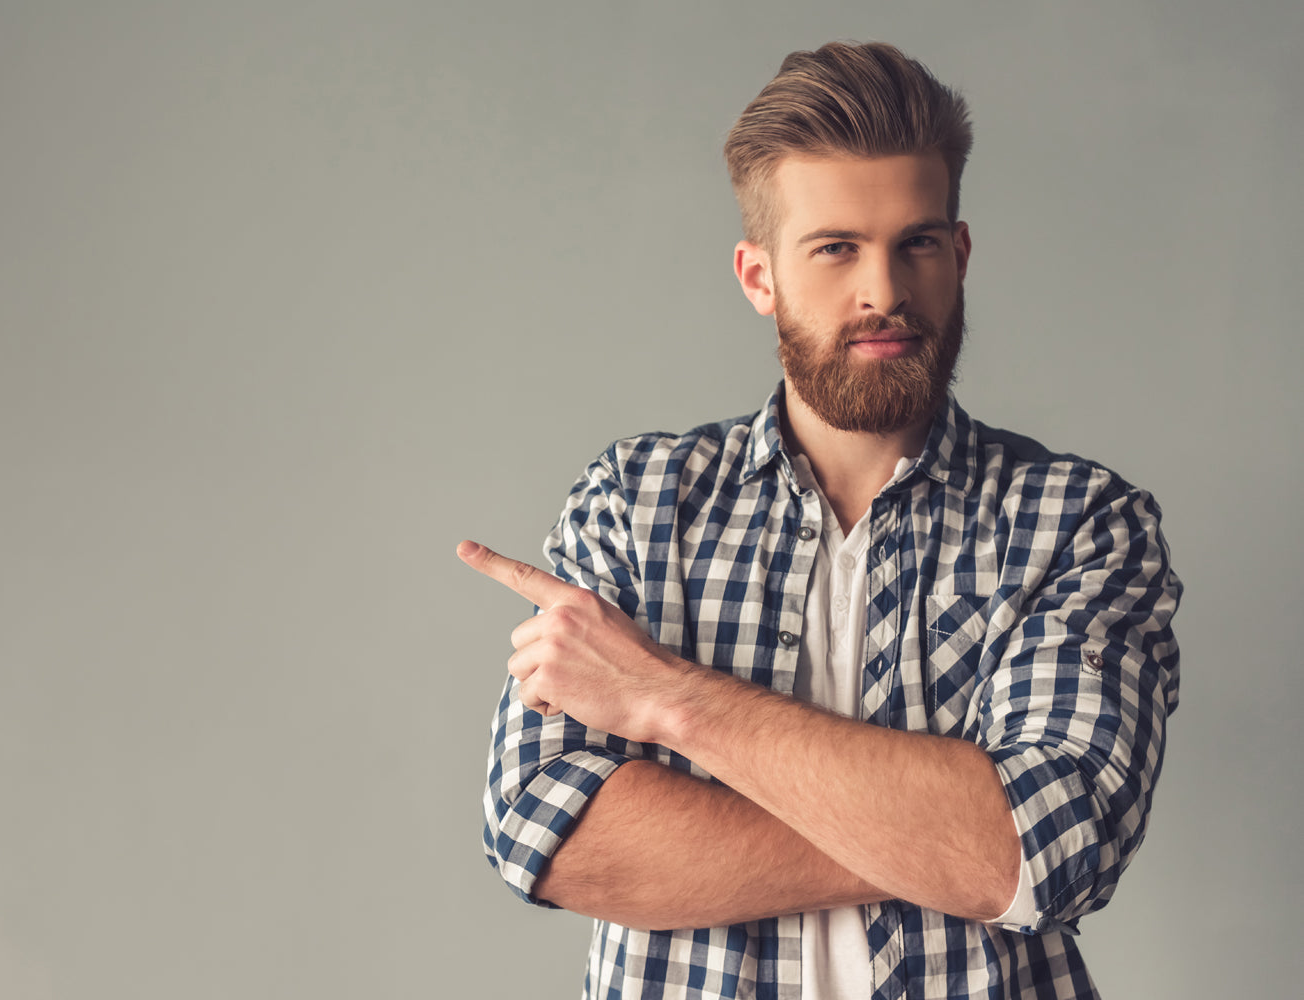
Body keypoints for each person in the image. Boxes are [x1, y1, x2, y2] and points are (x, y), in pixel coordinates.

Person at [458, 41, 1180, 1000]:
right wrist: (940, 837)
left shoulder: (1080, 524)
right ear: (760, 277)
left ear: (958, 256)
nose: (883, 290)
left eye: (916, 242)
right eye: (836, 248)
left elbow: (1044, 853)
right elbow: (549, 836)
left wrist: (669, 700)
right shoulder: (636, 506)